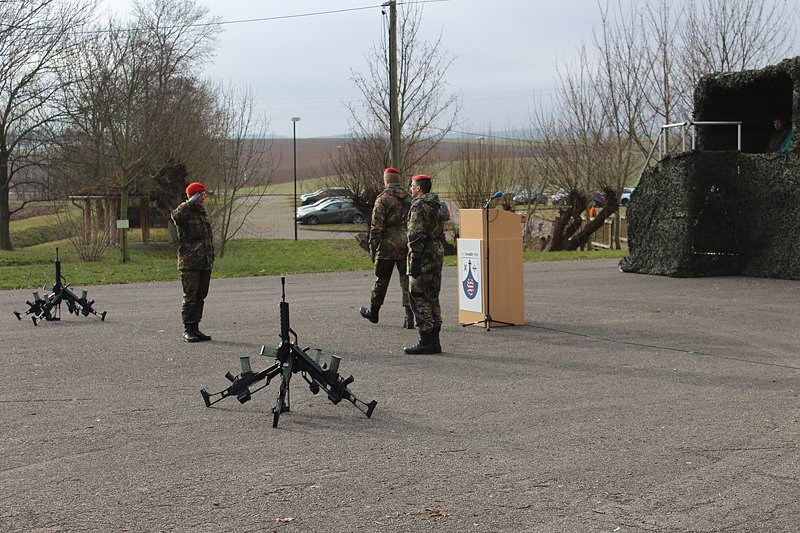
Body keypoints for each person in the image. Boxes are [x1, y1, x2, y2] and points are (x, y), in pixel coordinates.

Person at [360, 167, 414, 328]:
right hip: (406, 243)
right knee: (406, 280)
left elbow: (376, 226)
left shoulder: (383, 199)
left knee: (381, 280)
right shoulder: (409, 198)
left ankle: (374, 313)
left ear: (386, 180)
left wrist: (373, 246)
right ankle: (409, 316)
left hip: (387, 246)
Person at [404, 174, 444, 355]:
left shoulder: (418, 205)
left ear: (418, 188)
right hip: (436, 253)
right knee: (433, 296)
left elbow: (414, 233)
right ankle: (435, 341)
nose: (411, 188)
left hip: (423, 255)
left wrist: (416, 258)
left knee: (419, 296)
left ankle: (426, 340)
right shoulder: (437, 204)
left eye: (412, 185)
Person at [171, 181, 215, 343]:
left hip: (204, 261)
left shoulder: (201, 212)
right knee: (190, 296)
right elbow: (175, 215)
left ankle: (196, 327)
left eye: (203, 195)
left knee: (201, 295)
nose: (203, 198)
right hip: (190, 263)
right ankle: (187, 329)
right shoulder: (185, 213)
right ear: (193, 196)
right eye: (200, 195)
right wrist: (189, 203)